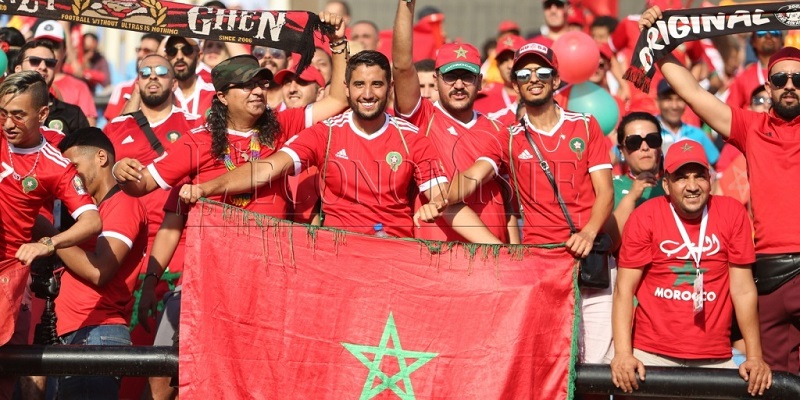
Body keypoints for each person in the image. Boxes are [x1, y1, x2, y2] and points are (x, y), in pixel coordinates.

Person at [417, 41, 614, 363]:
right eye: (524, 73)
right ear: (514, 83)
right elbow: (472, 176)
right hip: (542, 263)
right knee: (550, 363)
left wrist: (589, 233)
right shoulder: (507, 135)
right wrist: (439, 201)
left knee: (597, 366)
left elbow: (605, 192)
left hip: (591, 258)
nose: (533, 78)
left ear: (555, 79)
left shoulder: (586, 124)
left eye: (542, 71)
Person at [178, 50, 500, 243]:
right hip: (340, 260)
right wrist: (207, 188)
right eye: (359, 84)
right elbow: (266, 169)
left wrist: (500, 250)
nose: (368, 93)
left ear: (389, 88)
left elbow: (447, 204)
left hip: (396, 259)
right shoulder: (324, 133)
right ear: (347, 88)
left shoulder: (411, 137)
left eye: (376, 84)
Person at [640, 4, 800, 375]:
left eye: (798, 79)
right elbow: (694, 94)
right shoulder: (752, 127)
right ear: (768, 86)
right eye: (780, 80)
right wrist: (659, 45)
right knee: (773, 383)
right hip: (770, 274)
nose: (790, 86)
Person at [610, 140, 772, 397]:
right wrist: (622, 354)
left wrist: (754, 356)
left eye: (699, 176)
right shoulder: (646, 215)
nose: (693, 186)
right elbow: (623, 289)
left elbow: (742, 290)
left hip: (716, 358)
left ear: (710, 178)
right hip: (651, 357)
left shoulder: (732, 212)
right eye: (682, 178)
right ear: (666, 184)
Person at [0, 71, 101, 398]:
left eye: (18, 115)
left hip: (8, 279)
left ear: (43, 114)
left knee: (6, 379)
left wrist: (47, 244)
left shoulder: (55, 165)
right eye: (3, 114)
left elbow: (91, 220)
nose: (8, 124)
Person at [31, 127, 147, 399]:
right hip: (75, 334)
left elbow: (99, 271)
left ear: (101, 158)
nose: (70, 177)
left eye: (74, 166)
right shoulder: (89, 214)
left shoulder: (124, 202)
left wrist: (50, 236)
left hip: (97, 334)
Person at [392, 0, 516, 243]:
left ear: (480, 82)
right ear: (436, 80)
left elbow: (508, 204)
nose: (459, 85)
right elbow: (401, 67)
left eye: (467, 77)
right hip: (437, 254)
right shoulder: (420, 117)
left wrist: (515, 253)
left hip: (493, 258)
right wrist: (406, 6)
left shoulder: (498, 129)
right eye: (451, 77)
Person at [607, 112, 665, 247]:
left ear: (660, 146)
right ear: (621, 150)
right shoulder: (609, 188)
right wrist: (632, 196)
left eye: (652, 140)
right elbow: (610, 244)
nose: (645, 147)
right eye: (634, 142)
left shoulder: (678, 184)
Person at [13, 40, 90, 135]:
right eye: (35, 61)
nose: (43, 67)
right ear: (18, 69)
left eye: (50, 63)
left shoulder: (73, 114)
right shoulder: (4, 109)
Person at [33, 20, 98, 126]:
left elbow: (89, 132)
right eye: (42, 44)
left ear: (64, 50)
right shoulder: (22, 82)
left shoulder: (79, 87)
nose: (48, 50)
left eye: (54, 45)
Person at [656, 80, 719, 166]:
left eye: (679, 99)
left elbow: (718, 166)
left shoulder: (698, 134)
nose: (674, 106)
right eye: (668, 99)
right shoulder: (649, 131)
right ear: (657, 101)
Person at [104, 33, 164, 121]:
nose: (140, 54)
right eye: (138, 50)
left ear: (161, 54)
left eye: (147, 51)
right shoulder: (121, 89)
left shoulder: (172, 89)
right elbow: (113, 128)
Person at [725, 30, 784, 110]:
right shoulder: (743, 77)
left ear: (782, 40)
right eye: (761, 32)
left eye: (775, 32)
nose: (768, 36)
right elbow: (731, 113)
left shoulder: (794, 73)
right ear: (753, 41)